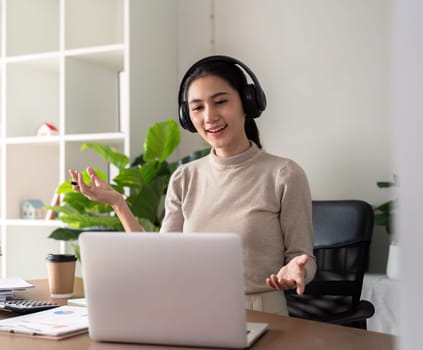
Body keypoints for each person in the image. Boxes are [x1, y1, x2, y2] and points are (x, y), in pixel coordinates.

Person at [69, 55, 316, 315]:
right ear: (187, 116)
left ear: (247, 102)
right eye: (197, 108)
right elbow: (161, 258)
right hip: (190, 310)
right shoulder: (184, 177)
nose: (209, 116)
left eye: (220, 101)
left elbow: (304, 257)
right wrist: (119, 204)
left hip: (260, 313)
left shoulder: (284, 174)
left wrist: (296, 269)